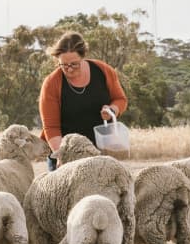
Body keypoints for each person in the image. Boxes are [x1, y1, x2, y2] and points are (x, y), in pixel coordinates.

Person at [38, 31, 128, 170]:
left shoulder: (103, 71)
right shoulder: (51, 83)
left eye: (74, 64)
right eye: (63, 65)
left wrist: (112, 110)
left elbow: (120, 99)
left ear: (83, 57)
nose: (69, 69)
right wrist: (62, 156)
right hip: (65, 153)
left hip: (100, 152)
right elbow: (51, 127)